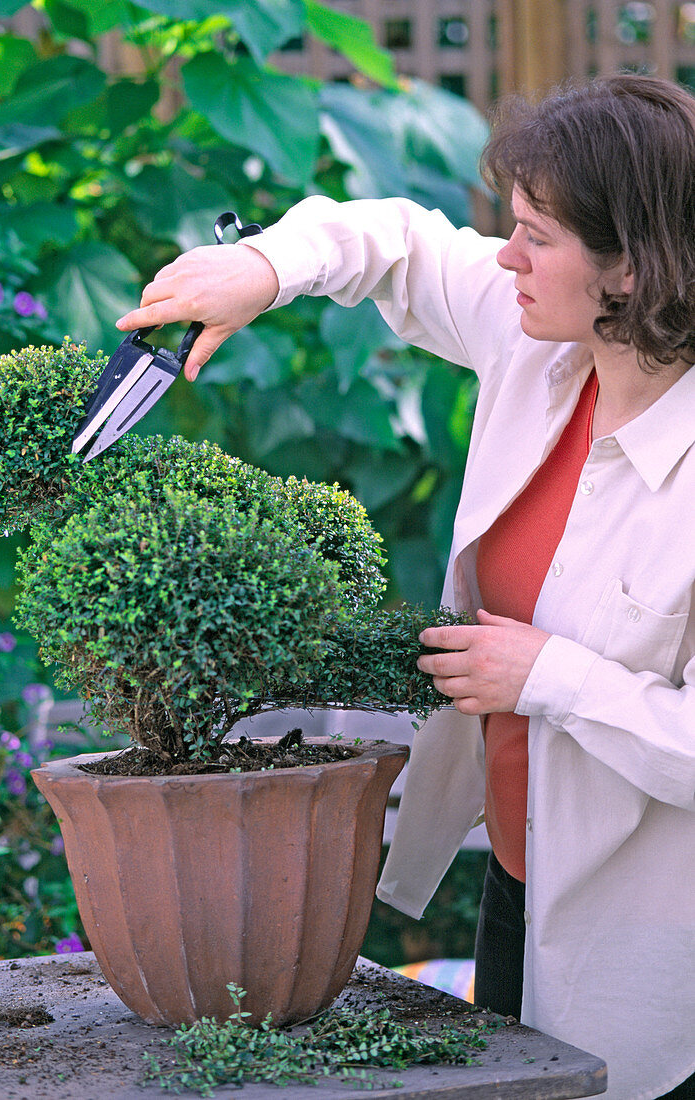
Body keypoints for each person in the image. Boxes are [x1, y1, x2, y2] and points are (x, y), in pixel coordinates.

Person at [116, 74, 695, 1100]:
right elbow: (394, 239)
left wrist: (551, 675)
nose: (504, 256)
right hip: (520, 878)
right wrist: (261, 265)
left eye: (535, 237)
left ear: (631, 268)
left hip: (648, 936)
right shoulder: (539, 343)